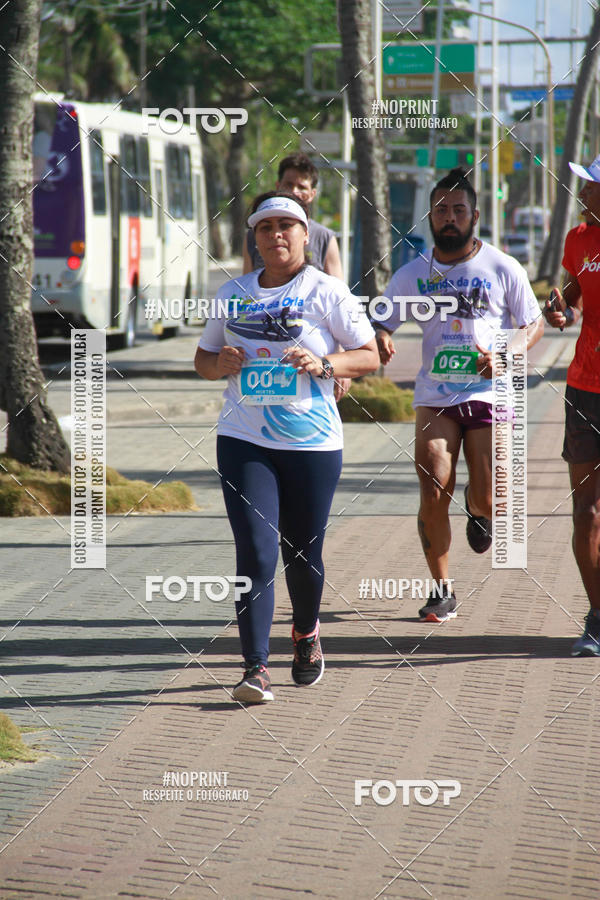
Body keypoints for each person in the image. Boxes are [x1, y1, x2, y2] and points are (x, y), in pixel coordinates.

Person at [195, 192, 378, 702]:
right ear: (253, 238)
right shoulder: (232, 293)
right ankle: (254, 668)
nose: (276, 235)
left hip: (312, 442)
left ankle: (306, 633)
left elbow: (366, 357)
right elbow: (203, 360)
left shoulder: (327, 291)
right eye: (265, 227)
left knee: (302, 552)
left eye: (286, 226)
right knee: (254, 552)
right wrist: (221, 364)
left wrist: (324, 366)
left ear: (304, 234)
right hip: (244, 438)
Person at [373, 167, 543, 623]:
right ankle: (441, 589)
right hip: (435, 395)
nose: (450, 218)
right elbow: (382, 319)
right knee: (432, 481)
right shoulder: (413, 273)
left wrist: (509, 350)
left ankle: (477, 508)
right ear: (430, 216)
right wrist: (382, 336)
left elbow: (533, 323)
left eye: (458, 210)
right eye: (441, 210)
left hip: (489, 391)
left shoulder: (502, 267)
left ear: (475, 216)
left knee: (491, 496)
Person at [544, 152, 600, 656]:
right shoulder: (579, 239)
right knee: (587, 512)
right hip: (585, 388)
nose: (582, 193)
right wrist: (561, 307)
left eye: (590, 186)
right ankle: (597, 616)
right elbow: (574, 292)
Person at [242, 152, 343, 279]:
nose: (294, 191)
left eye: (302, 187)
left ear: (312, 194)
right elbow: (246, 284)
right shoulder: (252, 235)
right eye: (289, 184)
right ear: (278, 186)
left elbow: (337, 286)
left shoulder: (324, 237)